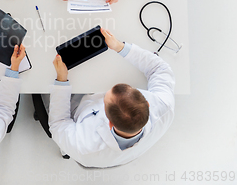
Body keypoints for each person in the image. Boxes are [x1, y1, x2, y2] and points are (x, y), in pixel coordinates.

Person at [48, 28, 175, 168]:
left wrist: (61, 80)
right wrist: (120, 47)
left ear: (109, 123)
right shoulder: (164, 107)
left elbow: (58, 123)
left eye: (105, 99)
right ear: (147, 104)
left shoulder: (84, 147)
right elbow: (160, 68)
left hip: (77, 103)